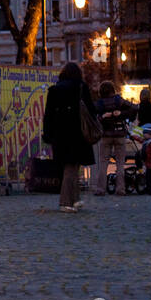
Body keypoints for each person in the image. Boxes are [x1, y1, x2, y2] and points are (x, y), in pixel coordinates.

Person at [42, 62, 97, 212]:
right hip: (77, 132)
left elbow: (48, 115)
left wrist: (47, 134)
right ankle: (66, 201)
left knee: (69, 165)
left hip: (60, 134)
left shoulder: (54, 90)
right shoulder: (81, 88)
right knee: (72, 166)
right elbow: (91, 109)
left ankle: (75, 199)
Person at [93, 82, 137, 196]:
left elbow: (92, 114)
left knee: (103, 163)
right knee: (120, 163)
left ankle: (101, 189)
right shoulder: (119, 101)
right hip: (119, 134)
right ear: (113, 90)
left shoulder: (100, 103)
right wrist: (121, 114)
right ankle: (120, 189)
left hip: (106, 136)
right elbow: (134, 108)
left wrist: (102, 117)